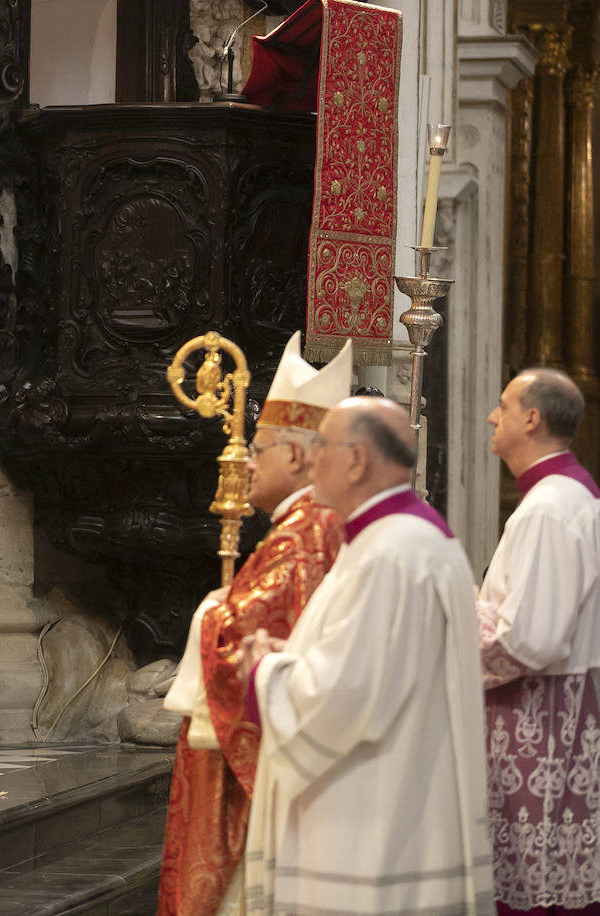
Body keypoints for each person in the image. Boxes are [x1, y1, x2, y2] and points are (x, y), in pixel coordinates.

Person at [240, 397, 493, 914]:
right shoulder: (401, 539)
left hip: (372, 831)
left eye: (323, 448)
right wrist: (300, 651)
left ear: (356, 460)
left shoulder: (390, 552)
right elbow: (377, 659)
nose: (311, 462)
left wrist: (265, 669)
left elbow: (344, 694)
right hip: (402, 803)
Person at [157, 332, 350, 916]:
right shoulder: (311, 524)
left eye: (259, 449)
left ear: (296, 456)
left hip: (268, 765)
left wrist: (214, 609)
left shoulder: (307, 532)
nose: (244, 460)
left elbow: (244, 633)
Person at [477, 369, 600, 914]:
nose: (491, 416)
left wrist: (448, 645)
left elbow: (531, 640)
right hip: (552, 708)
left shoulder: (550, 508)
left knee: (534, 880)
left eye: (503, 405)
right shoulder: (565, 496)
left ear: (533, 418)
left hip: (537, 720)